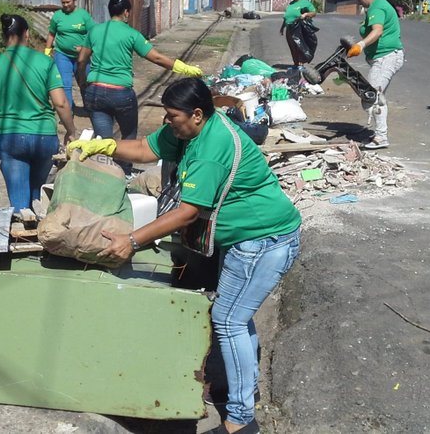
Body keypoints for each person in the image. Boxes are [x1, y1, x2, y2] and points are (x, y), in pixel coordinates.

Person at [66, 78, 302, 434]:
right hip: (245, 240)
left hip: (264, 239)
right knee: (237, 313)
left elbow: (188, 211)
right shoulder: (189, 130)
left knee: (228, 319)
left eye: (172, 115)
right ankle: (234, 389)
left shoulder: (211, 146)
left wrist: (132, 239)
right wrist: (107, 145)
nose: (167, 121)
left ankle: (240, 420)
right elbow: (147, 150)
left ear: (196, 114)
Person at [76, 0, 203, 176]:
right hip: (121, 93)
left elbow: (81, 61)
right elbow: (157, 58)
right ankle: (126, 174)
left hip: (95, 92)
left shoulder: (95, 31)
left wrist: (82, 83)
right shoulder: (131, 34)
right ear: (126, 12)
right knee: (128, 137)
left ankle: (105, 175)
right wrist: (183, 68)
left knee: (103, 140)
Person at [0, 14, 76, 211]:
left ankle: (21, 236)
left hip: (10, 138)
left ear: (3, 35)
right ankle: (40, 234)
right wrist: (71, 130)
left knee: (19, 206)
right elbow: (61, 103)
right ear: (27, 34)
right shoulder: (45, 62)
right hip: (45, 138)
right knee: (37, 197)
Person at [348, 0, 404, 149]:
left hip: (386, 57)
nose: (358, 1)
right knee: (376, 96)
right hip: (383, 57)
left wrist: (361, 44)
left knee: (371, 96)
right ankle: (380, 133)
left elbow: (377, 30)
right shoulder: (379, 4)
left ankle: (381, 137)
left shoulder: (377, 7)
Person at [44, 0, 95, 112]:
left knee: (85, 82)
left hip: (81, 56)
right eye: (63, 3)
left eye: (68, 2)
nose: (66, 5)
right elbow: (51, 34)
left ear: (74, 1)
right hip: (62, 55)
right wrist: (47, 52)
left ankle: (89, 108)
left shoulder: (83, 15)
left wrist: (85, 48)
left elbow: (93, 33)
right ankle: (68, 111)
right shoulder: (58, 16)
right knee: (65, 84)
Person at [279, 0, 318, 67]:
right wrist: (282, 28)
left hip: (299, 29)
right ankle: (296, 64)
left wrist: (306, 14)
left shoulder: (305, 3)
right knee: (292, 47)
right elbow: (286, 17)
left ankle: (301, 63)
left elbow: (314, 13)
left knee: (299, 46)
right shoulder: (291, 4)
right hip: (289, 29)